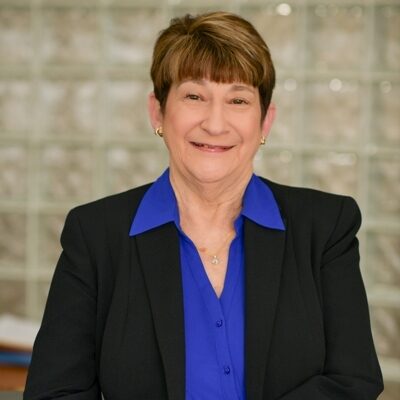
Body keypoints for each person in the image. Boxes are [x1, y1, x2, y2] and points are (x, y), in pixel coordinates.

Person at [24, 11, 383, 400]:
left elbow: (352, 381)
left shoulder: (326, 227)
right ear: (158, 111)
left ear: (265, 122)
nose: (215, 123)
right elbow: (55, 392)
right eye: (194, 96)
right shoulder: (95, 235)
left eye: (238, 100)